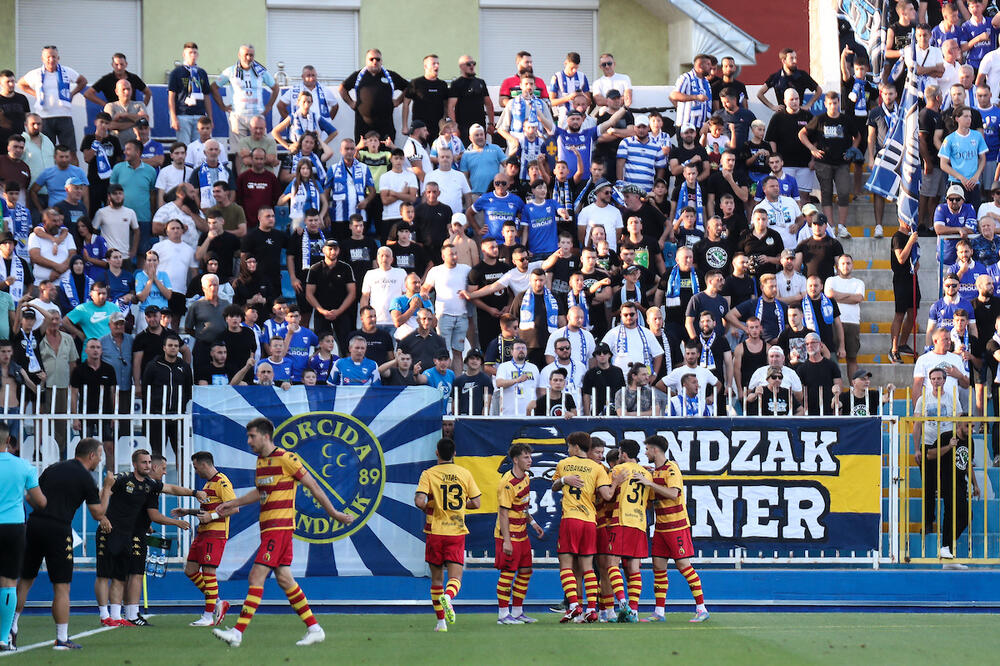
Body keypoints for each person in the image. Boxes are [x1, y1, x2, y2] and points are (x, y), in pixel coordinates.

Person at [213, 417, 352, 646]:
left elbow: (314, 486)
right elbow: (261, 492)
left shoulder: (287, 459)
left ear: (266, 436)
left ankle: (237, 633)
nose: (248, 441)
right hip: (269, 528)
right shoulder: (260, 461)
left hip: (280, 526)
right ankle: (314, 628)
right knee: (285, 579)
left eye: (252, 436)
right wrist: (234, 502)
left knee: (256, 576)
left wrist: (334, 513)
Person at [13, 438, 106, 651]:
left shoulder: (53, 468)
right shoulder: (86, 478)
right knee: (62, 587)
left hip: (34, 525)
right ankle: (62, 639)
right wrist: (108, 489)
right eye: (99, 455)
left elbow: (30, 496)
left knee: (25, 580)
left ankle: (11, 627)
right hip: (59, 529)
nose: (100, 460)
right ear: (91, 455)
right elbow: (98, 513)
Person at [414, 436, 481, 632]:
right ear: (454, 454)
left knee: (436, 580)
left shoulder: (428, 474)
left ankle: (440, 623)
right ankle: (449, 597)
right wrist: (459, 507)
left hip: (435, 531)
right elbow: (476, 503)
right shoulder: (464, 473)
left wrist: (430, 506)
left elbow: (419, 501)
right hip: (456, 531)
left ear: (437, 453)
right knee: (455, 578)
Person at [641, 434, 710, 622]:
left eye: (647, 449)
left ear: (655, 450)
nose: (645, 452)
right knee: (658, 567)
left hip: (677, 525)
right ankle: (659, 612)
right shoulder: (653, 473)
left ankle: (702, 608)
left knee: (683, 566)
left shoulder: (672, 469)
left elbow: (673, 494)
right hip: (661, 527)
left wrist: (649, 483)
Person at [551, 431, 614, 623]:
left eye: (570, 446)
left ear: (576, 447)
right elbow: (607, 495)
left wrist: (564, 480)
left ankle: (573, 606)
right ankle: (592, 609)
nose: (568, 449)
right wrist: (617, 482)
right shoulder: (597, 468)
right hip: (589, 521)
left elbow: (554, 486)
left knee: (566, 566)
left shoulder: (564, 464)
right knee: (588, 567)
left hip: (571, 519)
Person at [0, 422, 44, 651]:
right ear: (9, 441)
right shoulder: (23, 466)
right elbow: (40, 501)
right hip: (13, 526)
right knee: (8, 583)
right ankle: (4, 636)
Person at [493, 442, 544, 625]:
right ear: (515, 460)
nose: (530, 460)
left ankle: (517, 612)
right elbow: (503, 513)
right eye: (525, 457)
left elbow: (522, 506)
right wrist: (506, 541)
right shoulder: (507, 483)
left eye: (530, 457)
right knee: (508, 573)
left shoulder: (526, 478)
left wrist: (532, 523)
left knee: (525, 571)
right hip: (509, 535)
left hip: (522, 533)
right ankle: (502, 615)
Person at [17, 46, 87, 154]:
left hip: (64, 115)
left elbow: (82, 81)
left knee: (70, 152)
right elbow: (21, 83)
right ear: (43, 58)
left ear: (58, 58)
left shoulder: (66, 71)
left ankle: (73, 171)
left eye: (54, 57)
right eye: (48, 57)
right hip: (44, 118)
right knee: (47, 152)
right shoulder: (36, 73)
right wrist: (36, 94)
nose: (51, 59)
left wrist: (72, 94)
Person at [141, 333, 193, 456]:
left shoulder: (184, 367)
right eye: (170, 345)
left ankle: (182, 476)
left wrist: (180, 407)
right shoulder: (153, 366)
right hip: (157, 416)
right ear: (164, 347)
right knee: (157, 454)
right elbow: (145, 390)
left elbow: (188, 390)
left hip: (178, 416)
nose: (173, 348)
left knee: (182, 454)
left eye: (176, 345)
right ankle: (155, 476)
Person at [339, 49, 408, 140]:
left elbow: (409, 87)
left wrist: (398, 101)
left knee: (387, 153)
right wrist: (351, 103)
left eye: (378, 59)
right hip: (363, 127)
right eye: (371, 59)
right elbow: (342, 88)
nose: (375, 61)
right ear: (366, 61)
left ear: (381, 61)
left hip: (386, 127)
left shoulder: (390, 76)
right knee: (363, 153)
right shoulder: (359, 76)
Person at [305, 239, 356, 353]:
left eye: (335, 249)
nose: (333, 251)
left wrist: (339, 311)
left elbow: (352, 293)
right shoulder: (315, 269)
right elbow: (309, 293)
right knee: (321, 346)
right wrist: (322, 311)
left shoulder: (346, 268)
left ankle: (346, 369)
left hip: (342, 313)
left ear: (339, 250)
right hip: (321, 314)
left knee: (347, 346)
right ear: (323, 250)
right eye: (330, 248)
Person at [758, 48, 821, 113]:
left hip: (799, 114)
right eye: (791, 58)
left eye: (795, 58)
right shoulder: (776, 77)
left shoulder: (802, 75)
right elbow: (760, 94)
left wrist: (808, 105)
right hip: (782, 115)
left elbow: (819, 90)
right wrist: (772, 106)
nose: (795, 61)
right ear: (784, 61)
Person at [447, 55, 494, 144]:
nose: (472, 66)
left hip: (480, 126)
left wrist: (491, 123)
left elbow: (488, 104)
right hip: (463, 127)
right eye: (468, 64)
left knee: (481, 151)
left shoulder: (481, 82)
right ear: (461, 66)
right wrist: (454, 128)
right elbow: (450, 107)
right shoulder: (457, 84)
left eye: (473, 63)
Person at [493, 339, 539, 416]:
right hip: (509, 414)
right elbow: (499, 383)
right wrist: (517, 380)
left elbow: (538, 389)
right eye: (518, 348)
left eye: (523, 348)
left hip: (530, 414)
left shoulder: (533, 367)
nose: (521, 350)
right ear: (511, 352)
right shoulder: (504, 366)